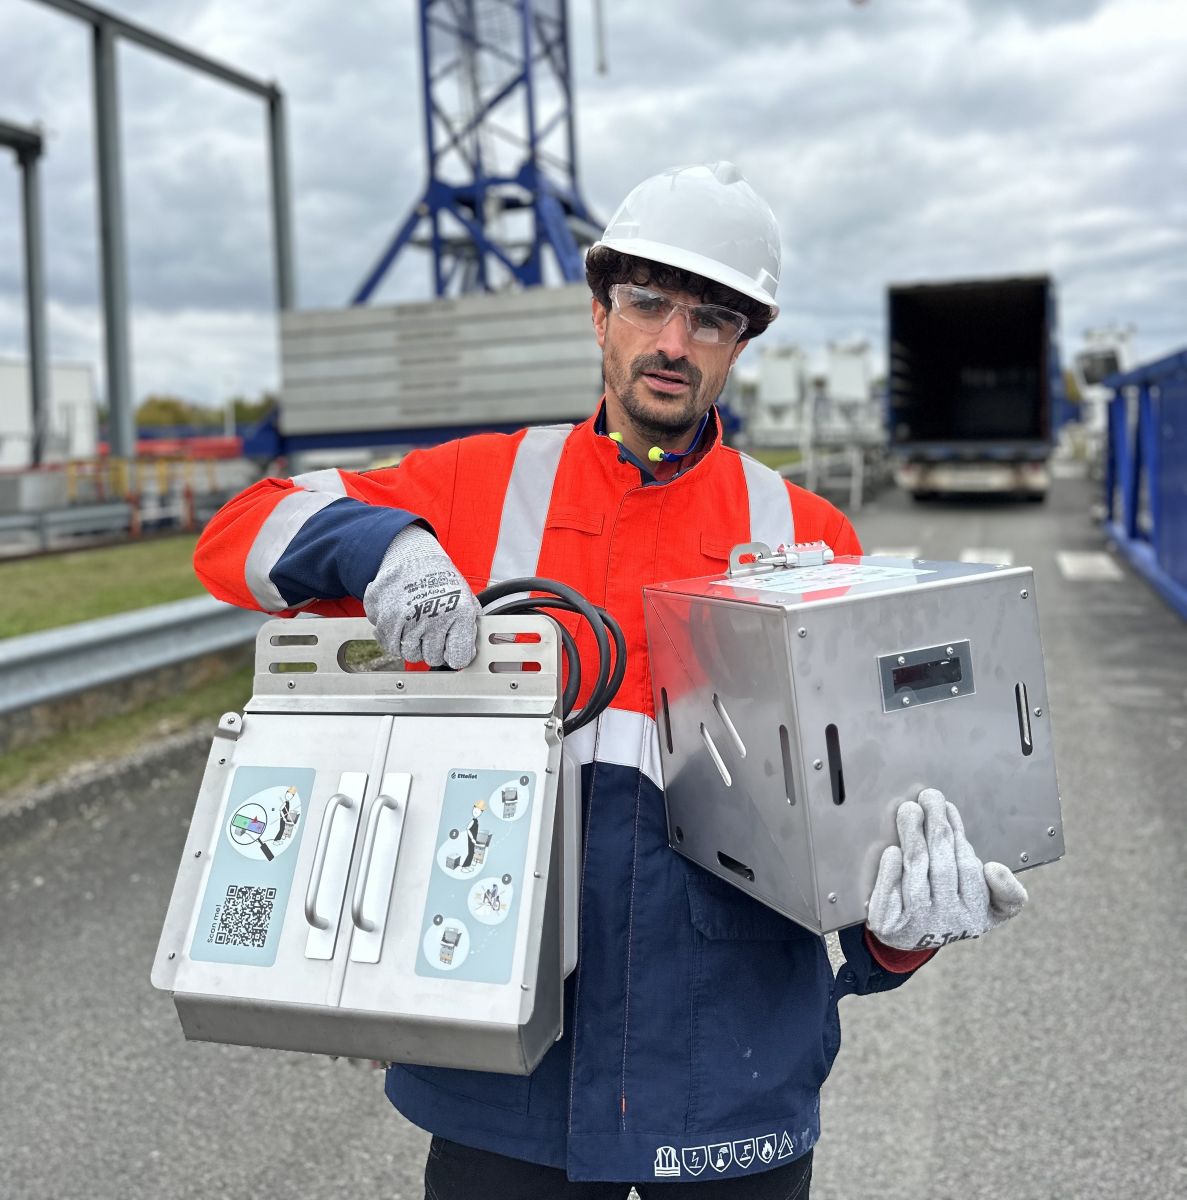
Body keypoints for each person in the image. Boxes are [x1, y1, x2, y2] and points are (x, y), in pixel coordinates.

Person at [194, 162, 1028, 1197]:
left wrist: (898, 936)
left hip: (732, 1084)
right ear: (600, 313)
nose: (672, 343)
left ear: (741, 344)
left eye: (710, 319)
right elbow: (238, 529)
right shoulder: (478, 486)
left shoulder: (809, 540)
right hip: (505, 1089)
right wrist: (378, 548)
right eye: (646, 303)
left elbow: (859, 836)